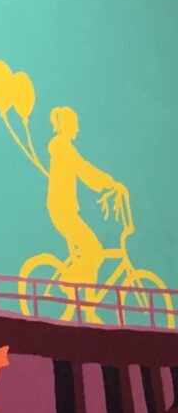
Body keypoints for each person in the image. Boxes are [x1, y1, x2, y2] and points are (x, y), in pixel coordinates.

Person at [46, 106, 125, 286]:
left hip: (65, 210)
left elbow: (81, 169)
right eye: (74, 124)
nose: (77, 129)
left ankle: (86, 297)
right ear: (66, 125)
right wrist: (110, 182)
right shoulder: (62, 147)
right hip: (62, 211)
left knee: (90, 256)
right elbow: (82, 168)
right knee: (94, 252)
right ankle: (67, 283)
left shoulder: (63, 146)